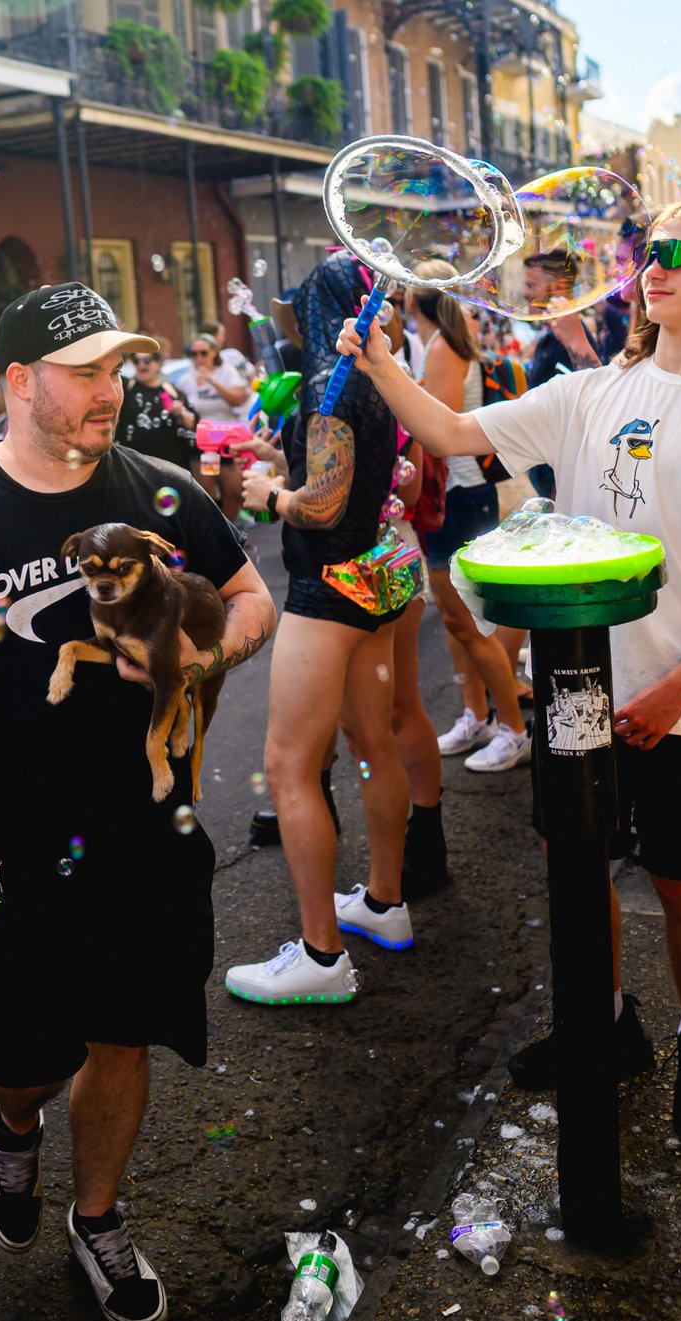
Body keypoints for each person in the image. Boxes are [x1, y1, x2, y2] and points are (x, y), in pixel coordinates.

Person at [0, 282, 274, 1321]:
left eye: (117, 367)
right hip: (13, 837)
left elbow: (251, 595)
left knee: (123, 1031)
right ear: (20, 381)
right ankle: (14, 1127)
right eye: (84, 371)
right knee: (25, 1057)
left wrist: (204, 655)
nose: (110, 389)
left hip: (146, 822)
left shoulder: (163, 489)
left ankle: (98, 1216)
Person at [347, 199, 681, 1144]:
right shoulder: (593, 390)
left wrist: (677, 688)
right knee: (573, 860)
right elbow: (453, 431)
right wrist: (382, 365)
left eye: (677, 251)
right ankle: (602, 1025)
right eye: (648, 252)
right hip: (578, 685)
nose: (653, 267)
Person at [225, 250, 417, 1005]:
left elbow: (322, 504)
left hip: (326, 590)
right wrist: (284, 458)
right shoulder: (374, 375)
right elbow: (359, 474)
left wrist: (270, 494)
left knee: (289, 768)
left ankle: (320, 954)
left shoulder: (328, 383)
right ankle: (385, 902)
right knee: (374, 746)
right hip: (372, 581)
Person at [408, 262, 533, 775]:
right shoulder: (449, 341)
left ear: (413, 301)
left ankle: (513, 730)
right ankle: (475, 717)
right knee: (459, 623)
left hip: (458, 495)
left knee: (469, 624)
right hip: (460, 495)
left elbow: (437, 432)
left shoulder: (443, 346)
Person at [171, 333, 252, 515]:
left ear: (214, 353)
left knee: (234, 491)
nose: (198, 358)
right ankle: (212, 530)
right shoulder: (186, 380)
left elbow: (237, 400)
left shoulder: (226, 372)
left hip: (226, 438)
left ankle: (229, 528)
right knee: (206, 492)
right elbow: (182, 409)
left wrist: (212, 380)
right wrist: (179, 411)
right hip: (202, 442)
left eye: (203, 353)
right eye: (194, 354)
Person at [115, 347, 198, 467]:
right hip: (133, 461)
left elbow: (193, 424)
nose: (141, 364)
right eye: (137, 361)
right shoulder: (127, 387)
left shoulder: (170, 391)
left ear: (158, 364)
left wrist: (181, 412)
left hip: (167, 462)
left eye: (147, 360)